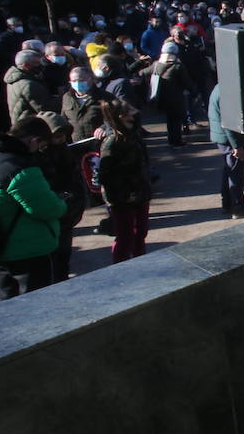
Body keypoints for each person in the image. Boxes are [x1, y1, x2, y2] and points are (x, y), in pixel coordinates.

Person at [0, 117, 67, 300]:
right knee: (34, 301)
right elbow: (47, 209)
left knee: (6, 296)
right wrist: (62, 203)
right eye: (41, 145)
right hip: (26, 248)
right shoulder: (19, 168)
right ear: (34, 141)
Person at [35, 111, 87, 279]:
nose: (61, 139)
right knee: (50, 264)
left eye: (63, 135)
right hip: (51, 218)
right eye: (57, 135)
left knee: (63, 259)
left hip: (67, 216)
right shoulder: (36, 160)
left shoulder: (65, 153)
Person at [98, 101, 151, 263]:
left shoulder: (133, 134)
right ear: (122, 116)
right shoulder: (112, 142)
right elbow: (105, 176)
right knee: (125, 235)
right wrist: (123, 195)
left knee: (140, 232)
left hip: (140, 192)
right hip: (122, 198)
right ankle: (121, 266)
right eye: (131, 110)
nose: (135, 112)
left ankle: (140, 261)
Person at [208, 81, 244, 218]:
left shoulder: (220, 87)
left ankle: (228, 202)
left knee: (229, 170)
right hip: (229, 140)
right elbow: (229, 123)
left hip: (223, 137)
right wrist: (236, 146)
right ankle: (237, 206)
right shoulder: (227, 92)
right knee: (235, 173)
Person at [139, 41, 195, 146]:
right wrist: (194, 92)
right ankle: (176, 140)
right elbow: (187, 82)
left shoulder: (156, 65)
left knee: (170, 119)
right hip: (176, 98)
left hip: (162, 98)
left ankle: (171, 139)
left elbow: (142, 73)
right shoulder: (178, 66)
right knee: (176, 119)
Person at [5, 49, 58, 126]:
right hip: (31, 126)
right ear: (26, 65)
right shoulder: (29, 85)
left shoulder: (13, 80)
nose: (40, 65)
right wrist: (61, 97)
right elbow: (46, 108)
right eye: (36, 63)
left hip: (20, 123)